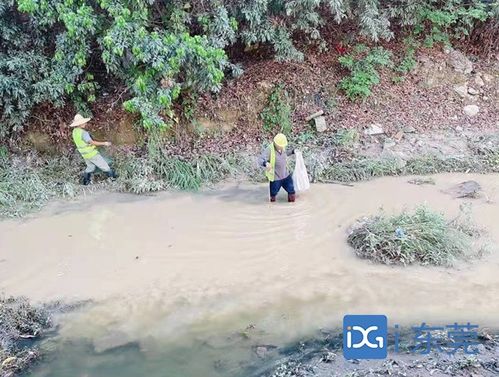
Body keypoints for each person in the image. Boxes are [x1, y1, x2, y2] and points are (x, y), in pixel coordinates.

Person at [69, 113, 117, 185]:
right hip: (92, 154)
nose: (85, 123)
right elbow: (92, 142)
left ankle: (85, 182)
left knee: (90, 168)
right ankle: (114, 179)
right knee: (105, 166)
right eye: (83, 122)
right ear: (79, 124)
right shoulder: (83, 133)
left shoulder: (75, 132)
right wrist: (104, 143)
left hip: (85, 155)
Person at [259, 133, 296, 202]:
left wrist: (293, 152)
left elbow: (285, 153)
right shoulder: (269, 150)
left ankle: (291, 205)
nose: (282, 147)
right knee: (273, 195)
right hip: (275, 178)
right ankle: (272, 208)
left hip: (285, 175)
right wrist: (266, 163)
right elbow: (260, 159)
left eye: (283, 146)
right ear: (275, 144)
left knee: (291, 191)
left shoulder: (282, 147)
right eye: (280, 146)